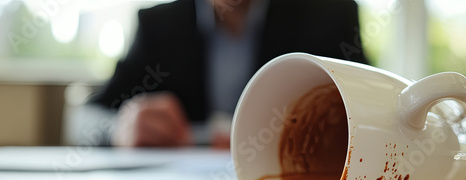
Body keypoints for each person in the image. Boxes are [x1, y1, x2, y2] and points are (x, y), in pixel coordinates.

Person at [86, 0, 368, 147]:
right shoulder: (157, 26)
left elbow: (371, 111)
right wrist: (117, 130)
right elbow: (85, 117)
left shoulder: (331, 17)